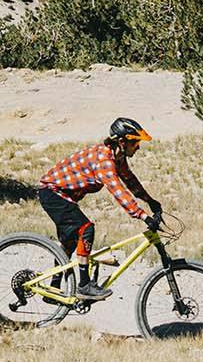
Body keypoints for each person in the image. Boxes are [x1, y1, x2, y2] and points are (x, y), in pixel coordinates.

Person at [37, 117, 162, 302]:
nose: (138, 147)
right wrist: (143, 216)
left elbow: (129, 180)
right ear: (122, 142)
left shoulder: (116, 157)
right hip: (52, 192)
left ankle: (53, 289)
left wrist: (150, 201)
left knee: (71, 242)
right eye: (135, 142)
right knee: (86, 229)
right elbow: (117, 190)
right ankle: (84, 286)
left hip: (63, 195)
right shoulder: (104, 159)